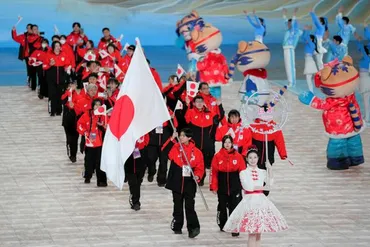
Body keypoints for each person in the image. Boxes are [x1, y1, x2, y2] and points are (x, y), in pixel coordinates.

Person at [223, 145, 288, 246]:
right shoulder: (243, 173)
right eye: (250, 158)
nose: (253, 160)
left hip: (261, 203)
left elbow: (269, 185)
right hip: (249, 203)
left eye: (255, 157)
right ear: (247, 159)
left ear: (258, 158)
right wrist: (262, 188)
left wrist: (270, 170)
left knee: (258, 233)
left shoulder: (262, 172)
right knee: (252, 232)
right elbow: (248, 187)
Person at [162, 128, 204, 238]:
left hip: (189, 182)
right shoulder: (175, 147)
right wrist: (171, 139)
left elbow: (200, 167)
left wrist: (198, 175)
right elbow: (164, 151)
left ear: (189, 138)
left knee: (190, 206)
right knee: (177, 205)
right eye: (180, 135)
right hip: (176, 180)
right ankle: (177, 225)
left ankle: (193, 228)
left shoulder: (197, 152)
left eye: (183, 136)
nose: (181, 137)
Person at [210, 135, 246, 236]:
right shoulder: (217, 156)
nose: (227, 144)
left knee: (234, 207)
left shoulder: (238, 156)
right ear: (223, 143)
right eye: (225, 142)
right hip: (222, 185)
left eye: (229, 142)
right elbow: (214, 173)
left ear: (232, 144)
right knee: (222, 206)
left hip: (235, 185)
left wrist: (244, 185)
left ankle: (234, 228)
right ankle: (223, 224)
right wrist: (213, 186)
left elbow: (243, 172)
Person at [185, 95, 224, 185]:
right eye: (197, 101)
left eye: (201, 101)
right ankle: (200, 178)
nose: (199, 103)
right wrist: (187, 105)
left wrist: (220, 105)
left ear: (203, 103)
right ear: (194, 103)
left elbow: (219, 117)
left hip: (207, 144)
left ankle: (206, 178)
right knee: (198, 162)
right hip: (196, 144)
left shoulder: (209, 113)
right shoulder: (191, 112)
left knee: (207, 163)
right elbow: (186, 119)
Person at [77, 98, 107, 186]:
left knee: (100, 162)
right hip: (89, 143)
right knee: (89, 161)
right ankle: (87, 175)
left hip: (100, 143)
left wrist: (103, 126)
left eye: (99, 105)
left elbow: (108, 127)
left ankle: (101, 181)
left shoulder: (103, 115)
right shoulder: (87, 114)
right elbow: (79, 124)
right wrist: (85, 132)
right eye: (95, 104)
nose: (97, 106)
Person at [147, 107, 177, 186]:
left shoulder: (168, 110)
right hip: (152, 142)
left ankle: (162, 179)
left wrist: (173, 118)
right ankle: (151, 172)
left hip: (165, 142)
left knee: (163, 161)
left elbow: (175, 125)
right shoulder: (149, 109)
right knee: (150, 159)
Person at [42, 41, 71, 116]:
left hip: (61, 78)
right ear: (53, 47)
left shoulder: (64, 54)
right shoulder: (48, 54)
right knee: (52, 94)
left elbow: (67, 64)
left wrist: (66, 68)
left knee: (60, 94)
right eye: (56, 46)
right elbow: (44, 66)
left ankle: (59, 111)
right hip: (51, 78)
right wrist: (50, 64)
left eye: (59, 46)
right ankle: (52, 111)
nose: (58, 47)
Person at [124, 134, 149, 211]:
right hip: (129, 156)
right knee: (133, 181)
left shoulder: (143, 130)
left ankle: (134, 197)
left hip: (140, 155)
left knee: (138, 181)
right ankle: (136, 202)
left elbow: (147, 140)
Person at [282, 7, 302, 88]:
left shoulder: (293, 30)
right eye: (288, 23)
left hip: (290, 48)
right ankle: (290, 82)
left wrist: (294, 13)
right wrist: (284, 14)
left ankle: (292, 83)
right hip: (285, 48)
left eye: (290, 23)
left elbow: (293, 23)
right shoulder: (288, 30)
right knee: (287, 66)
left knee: (291, 66)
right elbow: (285, 22)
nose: (288, 24)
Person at [61, 80, 79, 163]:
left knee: (75, 138)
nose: (72, 87)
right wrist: (69, 92)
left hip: (76, 120)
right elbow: (62, 100)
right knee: (69, 138)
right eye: (70, 85)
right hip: (67, 120)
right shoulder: (65, 94)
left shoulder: (79, 95)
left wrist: (74, 106)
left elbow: (81, 105)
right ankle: (70, 153)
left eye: (73, 85)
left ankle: (74, 154)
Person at [354, 33, 370, 123]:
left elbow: (363, 50)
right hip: (364, 79)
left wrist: (359, 40)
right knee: (366, 100)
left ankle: (367, 117)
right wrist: (358, 41)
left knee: (366, 100)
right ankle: (367, 116)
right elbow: (361, 49)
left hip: (365, 80)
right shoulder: (366, 59)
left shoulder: (367, 59)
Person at [302, 26, 318, 93]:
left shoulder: (311, 44)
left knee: (308, 77)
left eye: (308, 39)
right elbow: (303, 37)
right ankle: (311, 91)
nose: (306, 40)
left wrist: (307, 30)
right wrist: (305, 31)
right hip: (309, 60)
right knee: (309, 77)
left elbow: (306, 37)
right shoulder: (308, 44)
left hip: (309, 61)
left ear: (311, 39)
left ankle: (311, 91)